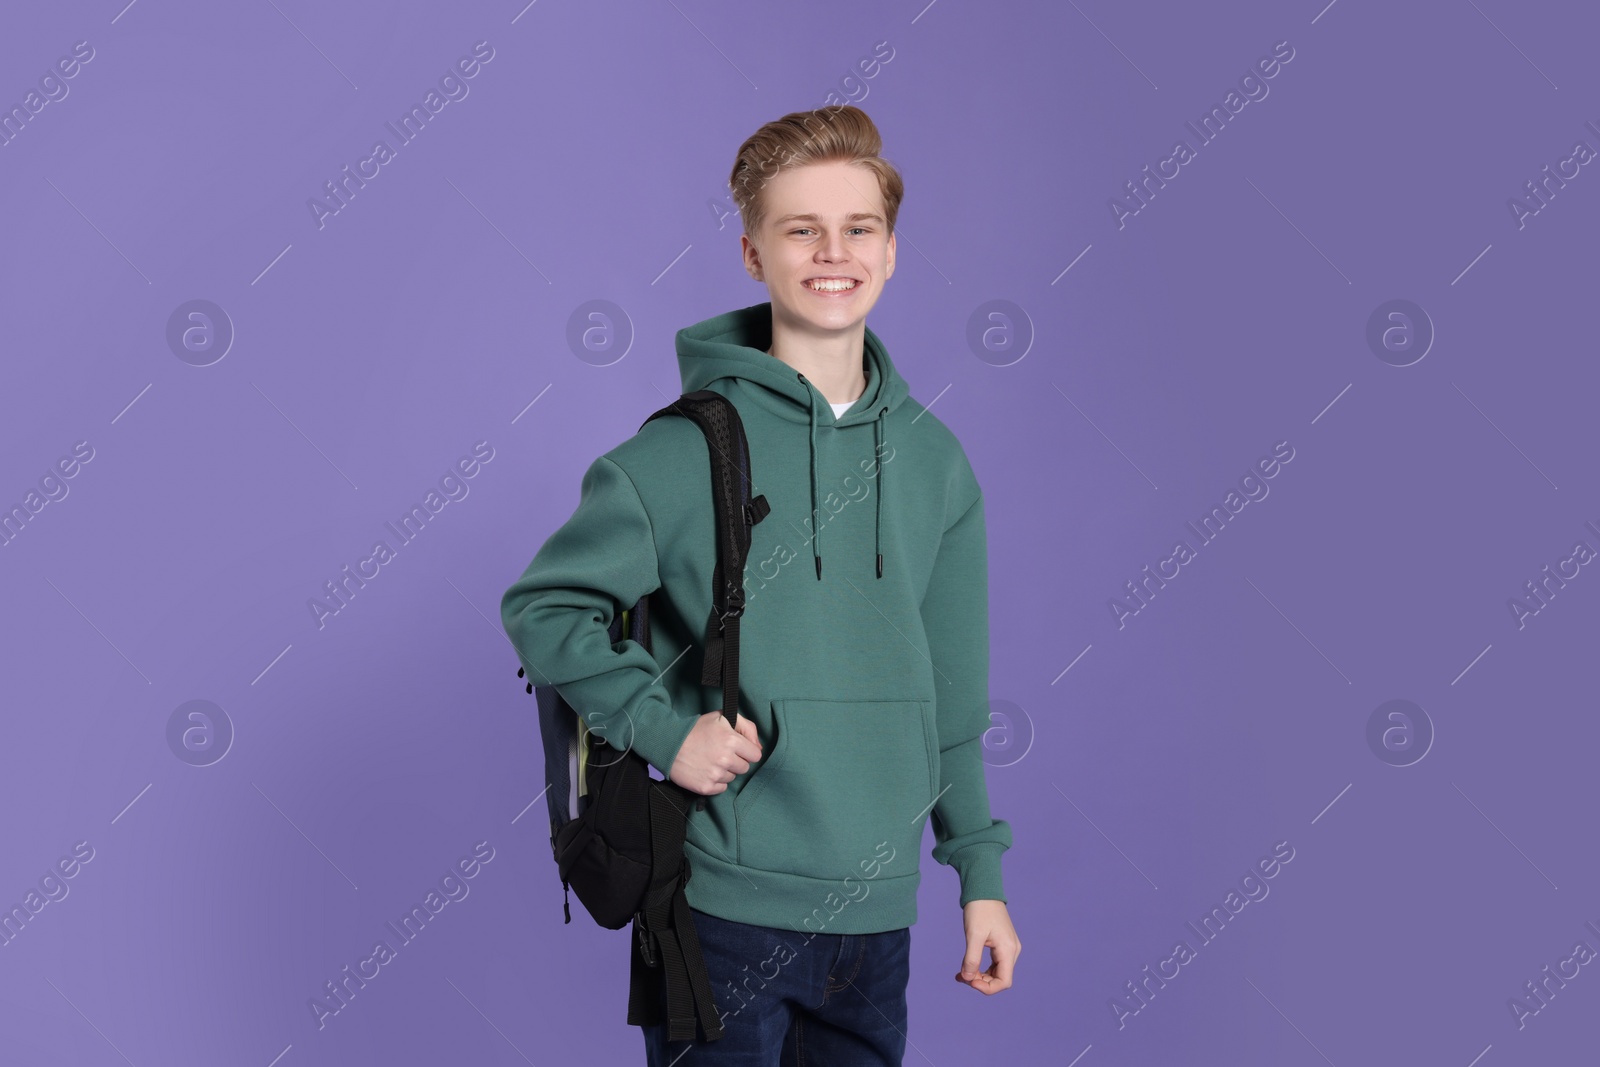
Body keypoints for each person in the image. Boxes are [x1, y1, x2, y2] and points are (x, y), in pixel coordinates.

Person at [500, 104, 1020, 1065]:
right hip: (718, 907)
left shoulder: (935, 460)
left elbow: (952, 699)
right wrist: (663, 729)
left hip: (877, 917)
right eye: (801, 229)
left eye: (858, 227)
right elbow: (544, 606)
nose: (834, 252)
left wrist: (978, 875)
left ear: (892, 250)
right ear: (752, 254)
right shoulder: (679, 452)